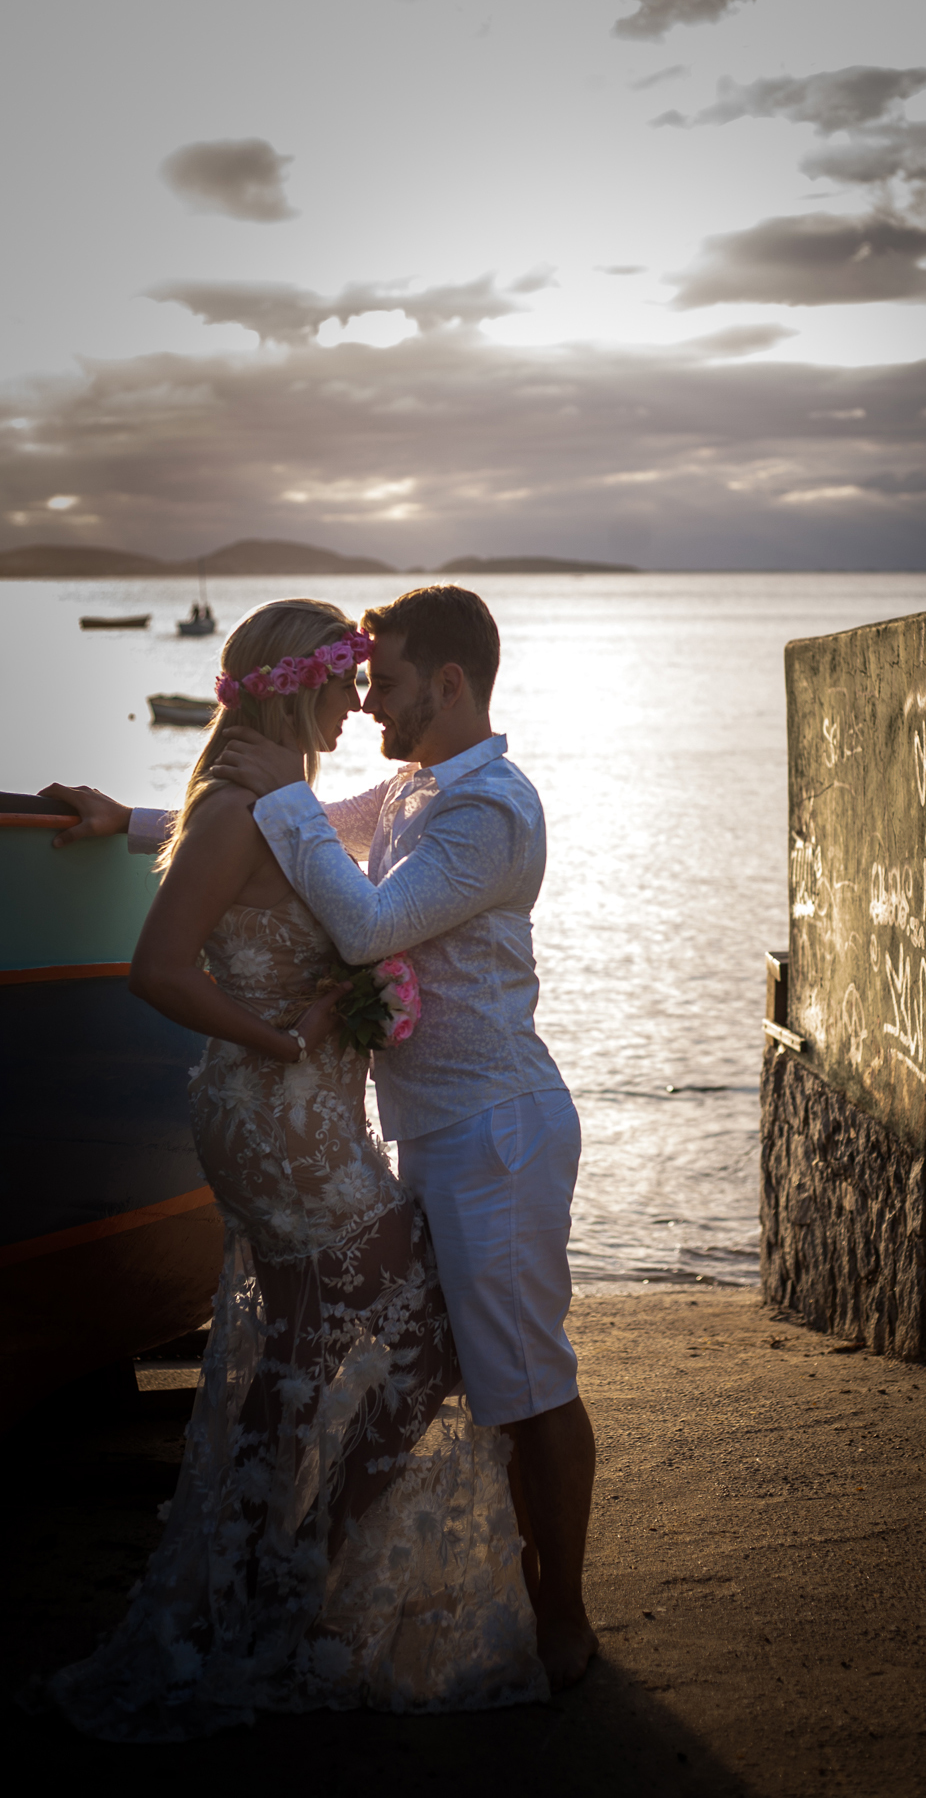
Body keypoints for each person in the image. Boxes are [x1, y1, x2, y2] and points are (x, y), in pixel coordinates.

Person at [43, 583, 598, 1698]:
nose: (368, 701)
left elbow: (367, 919)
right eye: (356, 683)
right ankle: (293, 1564)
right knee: (397, 1348)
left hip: (494, 1132)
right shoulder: (410, 789)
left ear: (450, 684)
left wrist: (276, 793)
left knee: (525, 1377)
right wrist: (134, 818)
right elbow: (280, 837)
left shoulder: (492, 814)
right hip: (412, 1130)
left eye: (384, 683)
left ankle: (563, 1617)